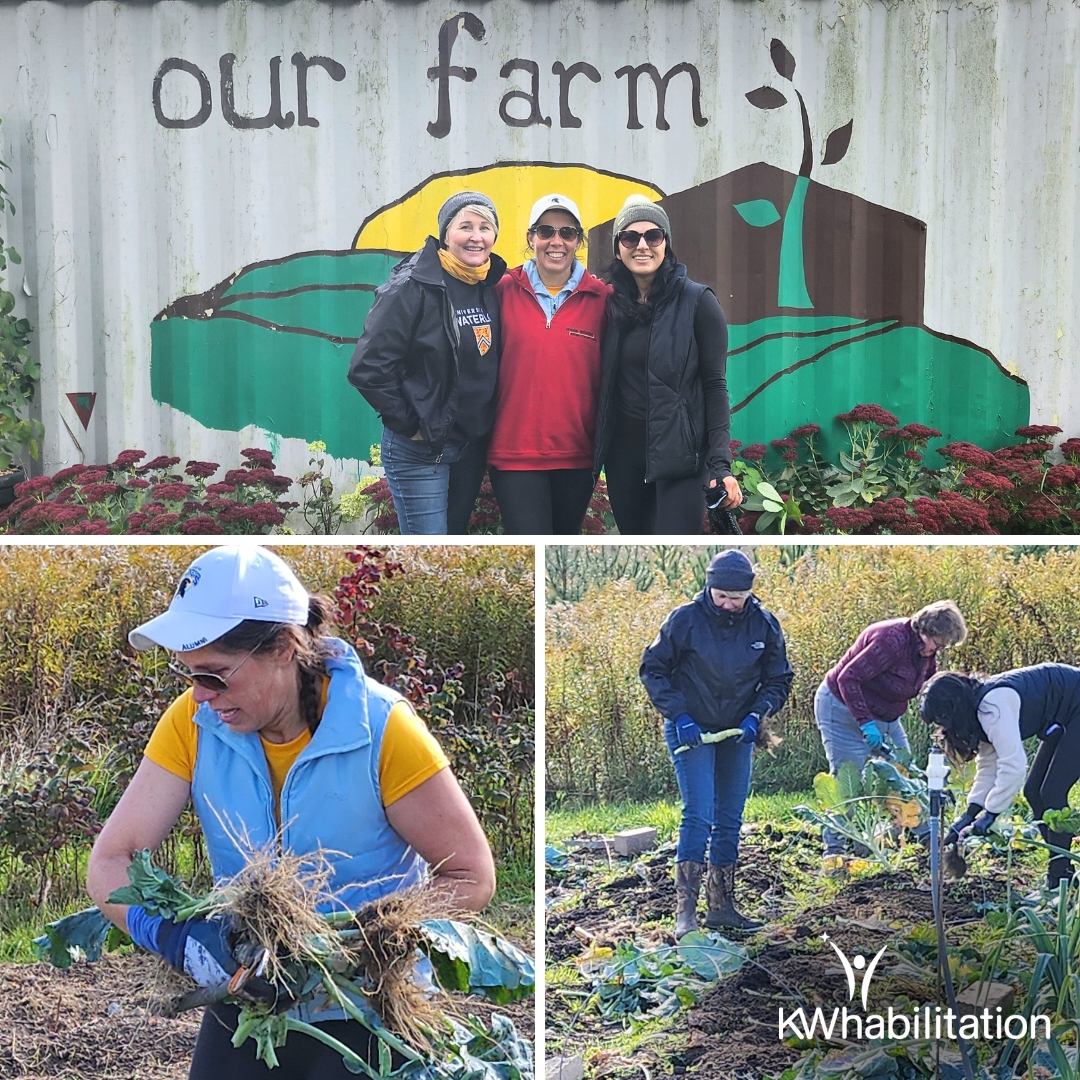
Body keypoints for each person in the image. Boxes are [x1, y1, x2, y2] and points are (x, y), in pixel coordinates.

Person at [87, 546, 495, 1078]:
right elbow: (110, 862)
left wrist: (366, 935)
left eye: (214, 675)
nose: (200, 695)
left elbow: (472, 877)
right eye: (188, 675)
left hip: (364, 1002)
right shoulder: (193, 722)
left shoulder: (382, 729)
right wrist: (178, 940)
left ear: (283, 645)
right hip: (251, 992)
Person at [639, 550, 792, 937]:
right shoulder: (685, 620)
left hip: (738, 731)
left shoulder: (764, 625)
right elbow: (653, 669)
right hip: (691, 728)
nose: (727, 603)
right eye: (721, 595)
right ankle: (685, 913)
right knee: (699, 814)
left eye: (735, 598)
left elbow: (779, 679)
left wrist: (758, 715)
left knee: (730, 818)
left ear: (748, 594)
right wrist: (679, 714)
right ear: (709, 587)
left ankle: (722, 906)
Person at [348, 192, 506, 534]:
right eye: (465, 226)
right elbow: (367, 367)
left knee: (453, 549)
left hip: (470, 447)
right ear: (446, 234)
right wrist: (413, 425)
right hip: (422, 449)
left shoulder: (487, 283)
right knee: (430, 549)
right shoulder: (412, 286)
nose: (476, 236)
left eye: (485, 227)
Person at [593, 194, 741, 535]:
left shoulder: (698, 302)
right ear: (618, 248)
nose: (641, 245)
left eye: (653, 236)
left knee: (676, 542)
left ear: (666, 245)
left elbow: (715, 386)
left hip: (682, 459)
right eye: (630, 237)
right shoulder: (611, 305)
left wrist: (721, 463)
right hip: (624, 461)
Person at [488, 194, 611, 534]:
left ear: (578, 241)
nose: (556, 241)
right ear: (531, 238)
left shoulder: (603, 299)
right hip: (514, 454)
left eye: (567, 232)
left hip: (577, 455)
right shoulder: (501, 290)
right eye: (546, 231)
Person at [814, 601, 969, 873]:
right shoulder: (891, 640)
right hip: (841, 710)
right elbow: (848, 679)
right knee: (847, 780)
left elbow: (927, 685)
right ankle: (834, 855)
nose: (938, 650)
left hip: (886, 717)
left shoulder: (925, 651)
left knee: (904, 775)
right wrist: (865, 724)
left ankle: (930, 843)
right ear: (924, 629)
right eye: (938, 643)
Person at [919, 663, 1080, 891]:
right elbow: (988, 765)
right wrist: (970, 813)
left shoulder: (992, 706)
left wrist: (991, 813)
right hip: (1066, 713)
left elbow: (1013, 765)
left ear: (953, 707)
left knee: (1052, 794)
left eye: (942, 718)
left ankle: (1059, 880)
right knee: (1034, 792)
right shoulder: (978, 710)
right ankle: (1063, 875)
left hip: (1075, 706)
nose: (942, 726)